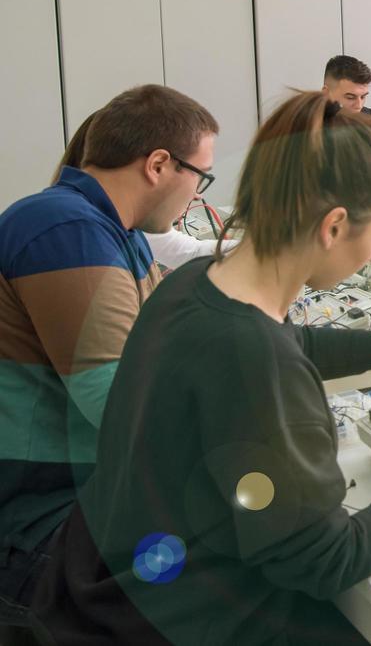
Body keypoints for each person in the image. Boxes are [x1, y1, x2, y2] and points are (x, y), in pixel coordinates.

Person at [30, 92, 371, 643]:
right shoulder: (256, 359)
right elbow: (330, 560)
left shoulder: (196, 286)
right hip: (172, 623)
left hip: (103, 585)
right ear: (332, 226)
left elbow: (290, 339)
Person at [0, 85, 217, 628]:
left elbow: (178, 334)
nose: (199, 194)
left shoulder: (118, 232)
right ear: (159, 165)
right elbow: (122, 404)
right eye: (201, 176)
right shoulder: (64, 228)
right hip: (43, 527)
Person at [52, 113, 238, 272]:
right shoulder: (83, 235)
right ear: (155, 166)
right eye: (197, 174)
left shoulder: (117, 222)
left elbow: (187, 252)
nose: (197, 195)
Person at [322, 55, 371, 134]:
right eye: (350, 98)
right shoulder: (309, 127)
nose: (359, 106)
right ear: (326, 93)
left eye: (363, 97)